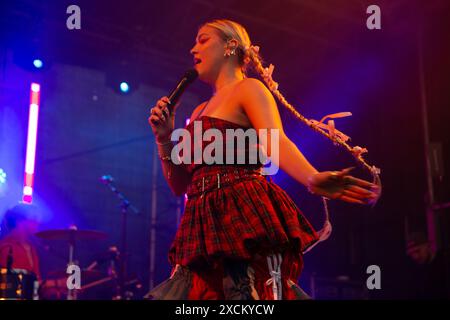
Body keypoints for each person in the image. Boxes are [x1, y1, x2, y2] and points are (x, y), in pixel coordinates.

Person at [147, 19, 379, 300]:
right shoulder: (196, 111)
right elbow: (180, 186)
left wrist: (311, 177)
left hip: (239, 210)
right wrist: (164, 138)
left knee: (245, 294)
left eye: (203, 40)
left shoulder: (249, 89)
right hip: (202, 221)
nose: (193, 48)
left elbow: (275, 140)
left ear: (231, 46)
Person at [0, 203, 41, 279]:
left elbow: (36, 280)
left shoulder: (31, 247)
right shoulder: (6, 247)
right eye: (33, 218)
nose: (37, 222)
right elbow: (13, 281)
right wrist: (56, 283)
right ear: (20, 221)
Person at [405, 232, 449, 299]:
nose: (415, 256)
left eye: (417, 251)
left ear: (428, 245)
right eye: (411, 253)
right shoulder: (417, 272)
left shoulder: (444, 261)